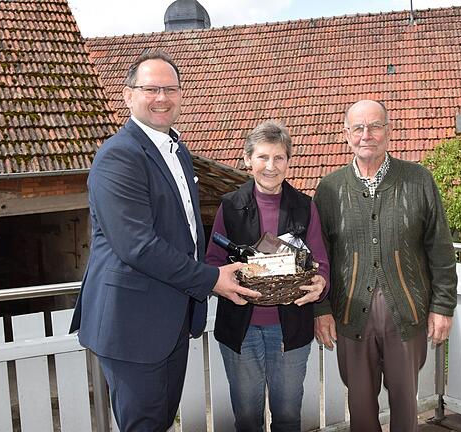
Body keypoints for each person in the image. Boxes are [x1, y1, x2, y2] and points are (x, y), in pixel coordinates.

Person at [69, 50, 260, 432]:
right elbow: (137, 245)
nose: (162, 98)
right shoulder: (118, 157)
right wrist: (211, 279)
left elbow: (184, 230)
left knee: (160, 421)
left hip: (169, 317)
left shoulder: (177, 151)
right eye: (151, 88)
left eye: (170, 89)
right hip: (132, 323)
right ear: (128, 95)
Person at [312, 100, 457, 432]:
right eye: (359, 128)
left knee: (406, 404)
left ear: (389, 131)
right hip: (350, 314)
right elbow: (319, 258)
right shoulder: (329, 189)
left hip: (407, 312)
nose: (367, 135)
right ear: (346, 134)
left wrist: (443, 306)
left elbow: (440, 248)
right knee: (360, 406)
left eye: (376, 126)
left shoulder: (418, 180)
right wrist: (320, 310)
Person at [205, 120, 330, 432]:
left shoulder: (305, 207)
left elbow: (322, 263)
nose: (270, 166)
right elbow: (213, 262)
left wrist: (321, 284)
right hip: (240, 330)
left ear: (288, 161)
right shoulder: (230, 206)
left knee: (288, 417)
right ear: (248, 160)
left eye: (278, 158)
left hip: (290, 330)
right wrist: (226, 280)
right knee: (247, 419)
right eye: (262, 157)